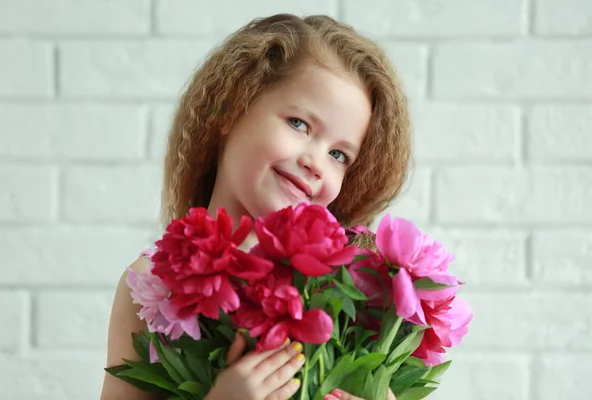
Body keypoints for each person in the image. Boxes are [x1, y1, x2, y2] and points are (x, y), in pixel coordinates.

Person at [101, 13, 411, 400]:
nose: (316, 162)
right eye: (299, 124)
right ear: (231, 107)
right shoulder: (150, 285)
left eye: (338, 154)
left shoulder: (350, 287)